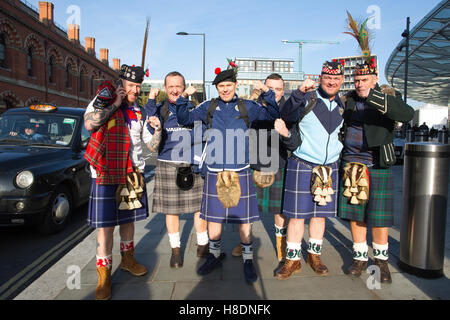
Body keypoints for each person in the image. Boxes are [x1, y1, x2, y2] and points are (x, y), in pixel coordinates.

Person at [175, 61, 280, 284]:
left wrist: (267, 91)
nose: (225, 89)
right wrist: (184, 96)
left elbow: (272, 116)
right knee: (214, 218)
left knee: (244, 219)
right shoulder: (208, 107)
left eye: (228, 85)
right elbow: (184, 119)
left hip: (240, 170)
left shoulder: (247, 107)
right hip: (214, 170)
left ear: (235, 84)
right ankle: (214, 256)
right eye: (221, 85)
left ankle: (248, 259)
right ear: (217, 87)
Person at [83, 64, 162, 300]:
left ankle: (127, 259)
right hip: (106, 172)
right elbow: (89, 124)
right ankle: (104, 274)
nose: (135, 90)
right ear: (121, 85)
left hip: (132, 172)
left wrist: (157, 130)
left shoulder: (138, 112)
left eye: (138, 86)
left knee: (128, 221)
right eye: (131, 86)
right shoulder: (103, 99)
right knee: (106, 227)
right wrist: (115, 105)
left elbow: (150, 146)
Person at [338, 58, 414, 284]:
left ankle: (381, 261)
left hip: (377, 164)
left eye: (364, 80)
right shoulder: (349, 99)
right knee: (355, 214)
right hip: (352, 164)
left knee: (378, 218)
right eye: (357, 80)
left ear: (375, 80)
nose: (360, 84)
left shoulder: (389, 96)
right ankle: (360, 257)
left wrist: (374, 96)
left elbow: (406, 115)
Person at [273, 60, 345, 280]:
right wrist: (298, 92)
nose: (331, 82)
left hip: (329, 166)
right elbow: (286, 113)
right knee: (296, 216)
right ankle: (292, 259)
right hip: (303, 162)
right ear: (320, 78)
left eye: (336, 78)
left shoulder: (343, 104)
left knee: (319, 216)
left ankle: (314, 255)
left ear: (341, 80)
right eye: (327, 78)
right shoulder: (307, 98)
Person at [144, 71, 208, 269]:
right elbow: (152, 142)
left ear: (184, 87)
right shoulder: (159, 111)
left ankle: (203, 246)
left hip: (192, 164)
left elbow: (204, 134)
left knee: (200, 209)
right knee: (171, 212)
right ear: (165, 89)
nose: (174, 90)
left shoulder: (193, 108)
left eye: (178, 86)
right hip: (168, 164)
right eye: (170, 86)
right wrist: (154, 118)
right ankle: (176, 251)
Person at [232, 73, 289, 263]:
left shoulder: (287, 110)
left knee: (279, 209)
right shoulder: (253, 106)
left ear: (283, 91)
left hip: (278, 164)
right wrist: (254, 94)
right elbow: (238, 116)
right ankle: (245, 241)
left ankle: (281, 243)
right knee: (247, 208)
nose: (274, 92)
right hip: (253, 163)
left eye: (278, 89)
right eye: (270, 88)